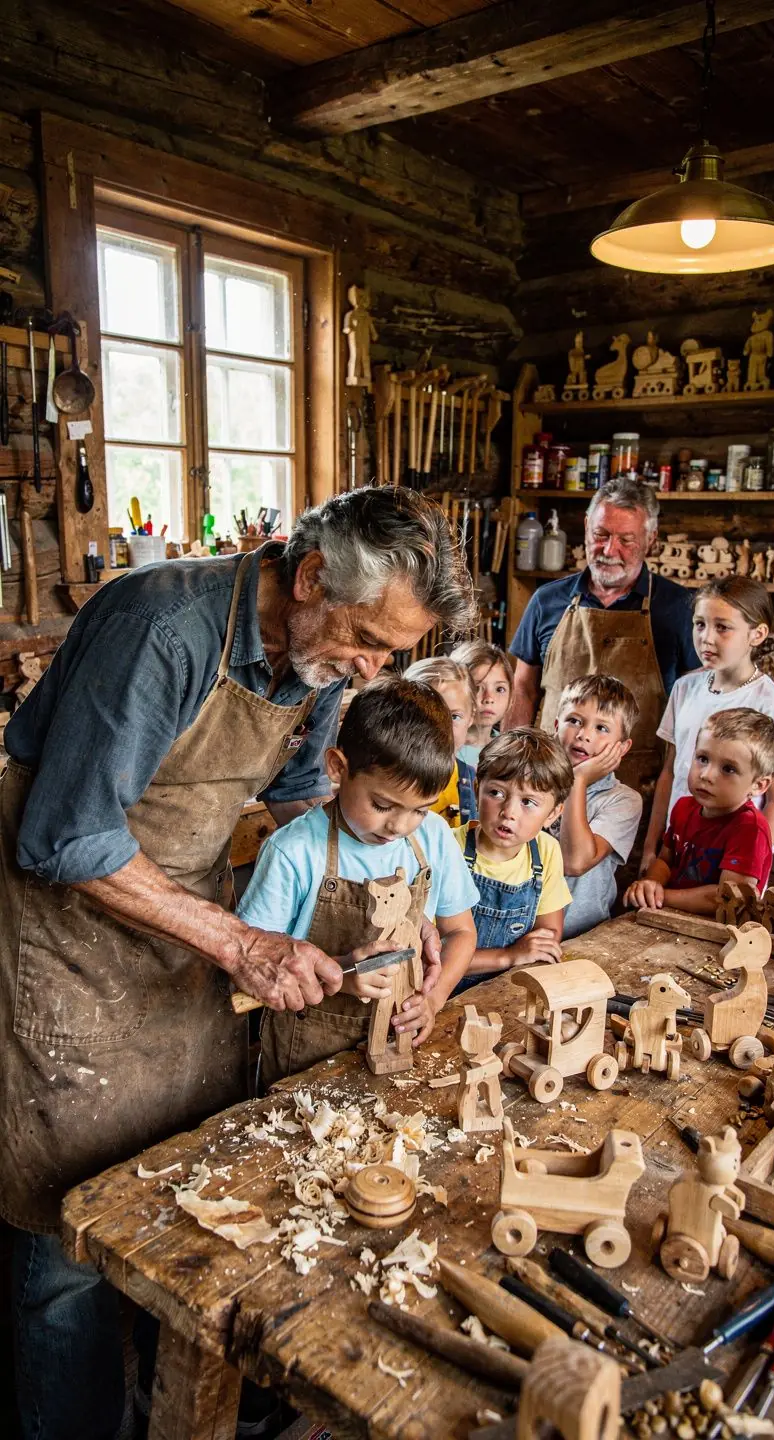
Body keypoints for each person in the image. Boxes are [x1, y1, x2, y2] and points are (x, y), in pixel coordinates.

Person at [0, 484, 475, 1440]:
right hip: (67, 938)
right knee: (67, 1230)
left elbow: (306, 796)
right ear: (309, 579)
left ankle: (152, 1388)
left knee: (172, 1181)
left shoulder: (317, 653)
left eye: (390, 653)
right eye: (371, 643)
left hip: (180, 926)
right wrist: (242, 940)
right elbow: (64, 835)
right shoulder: (164, 629)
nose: (375, 668)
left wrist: (387, 883)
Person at [238, 678, 479, 1086]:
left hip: (396, 1047)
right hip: (305, 1062)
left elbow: (460, 932)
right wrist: (342, 976)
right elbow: (255, 970)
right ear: (338, 767)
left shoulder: (433, 837)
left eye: (419, 810)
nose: (400, 826)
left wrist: (434, 999)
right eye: (382, 805)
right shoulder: (293, 852)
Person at [505, 477, 697, 787]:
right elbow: (523, 689)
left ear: (651, 540)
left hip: (638, 787)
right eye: (601, 534)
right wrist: (511, 766)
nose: (609, 549)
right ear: (585, 527)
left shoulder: (680, 609)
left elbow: (696, 703)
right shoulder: (547, 601)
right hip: (550, 784)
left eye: (626, 539)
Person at [642, 577, 774, 872]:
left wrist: (747, 864)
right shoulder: (684, 689)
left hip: (731, 860)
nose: (707, 638)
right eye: (700, 624)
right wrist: (650, 850)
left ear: (757, 634)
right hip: (675, 852)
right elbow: (670, 773)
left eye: (723, 627)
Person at [624, 708, 774, 917]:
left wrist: (662, 896)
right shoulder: (684, 807)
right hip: (668, 919)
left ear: (759, 785)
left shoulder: (750, 829)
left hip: (716, 936)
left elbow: (729, 898)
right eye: (703, 759)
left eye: (728, 769)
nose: (706, 775)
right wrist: (649, 885)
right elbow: (665, 861)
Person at [452, 728, 574, 994]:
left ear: (553, 813)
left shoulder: (546, 851)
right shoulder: (450, 848)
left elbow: (548, 935)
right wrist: (508, 955)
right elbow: (434, 953)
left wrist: (520, 956)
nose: (508, 812)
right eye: (496, 793)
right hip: (443, 992)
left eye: (528, 801)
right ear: (476, 789)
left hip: (508, 990)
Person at [552, 675, 643, 939]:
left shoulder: (623, 801)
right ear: (557, 725)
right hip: (522, 933)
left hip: (581, 936)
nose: (584, 735)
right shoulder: (533, 783)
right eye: (574, 721)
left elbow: (575, 862)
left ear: (623, 747)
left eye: (602, 728)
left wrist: (578, 780)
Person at [403, 656, 478, 824]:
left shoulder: (473, 781)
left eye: (454, 716)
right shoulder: (386, 776)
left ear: (471, 717)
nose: (441, 727)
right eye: (425, 715)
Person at [449, 639, 513, 769]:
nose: (489, 698)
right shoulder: (445, 750)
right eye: (477, 688)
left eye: (499, 689)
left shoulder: (509, 750)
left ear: (511, 696)